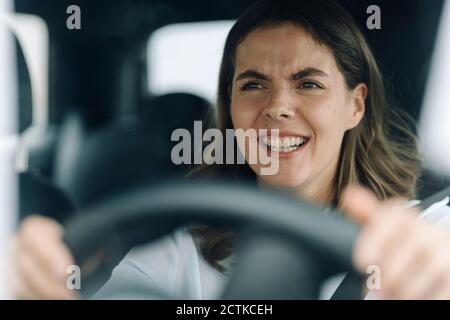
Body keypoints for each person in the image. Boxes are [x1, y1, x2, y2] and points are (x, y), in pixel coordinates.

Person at [13, 0, 450, 300]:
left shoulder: (422, 233)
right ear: (230, 106)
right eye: (254, 84)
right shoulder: (180, 248)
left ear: (356, 105)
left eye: (309, 84)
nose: (277, 107)